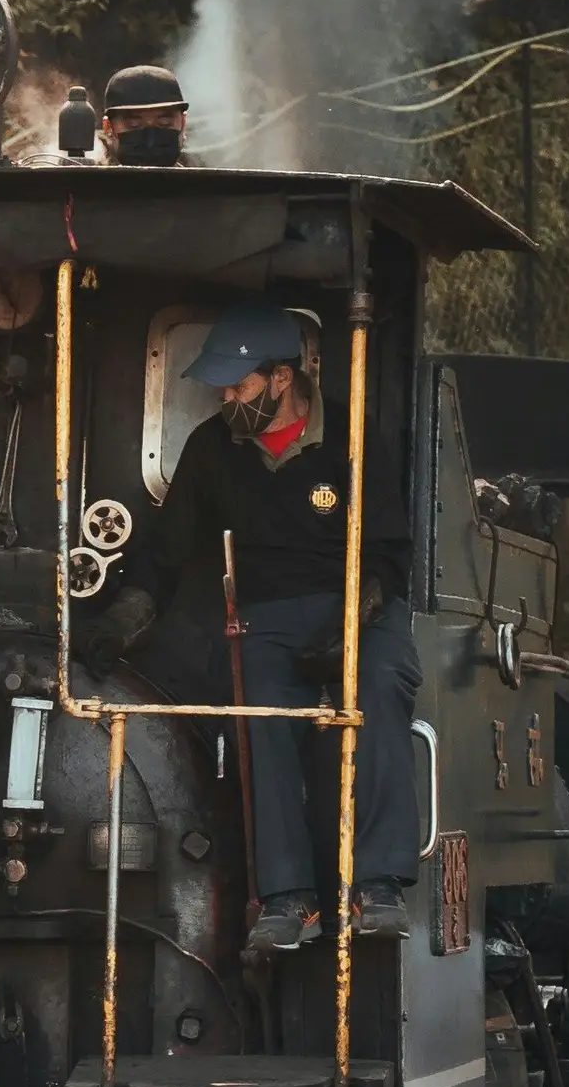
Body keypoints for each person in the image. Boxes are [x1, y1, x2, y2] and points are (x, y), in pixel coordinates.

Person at [81, 299, 420, 956]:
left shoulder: (351, 434)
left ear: (282, 378)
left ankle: (375, 886)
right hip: (265, 617)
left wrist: (352, 620)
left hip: (358, 608)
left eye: (238, 386)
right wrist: (121, 622)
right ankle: (289, 900)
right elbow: (165, 554)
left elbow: (386, 553)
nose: (226, 398)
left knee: (380, 685)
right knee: (257, 705)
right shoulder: (212, 449)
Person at [97, 64, 191, 166]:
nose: (150, 140)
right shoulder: (87, 181)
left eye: (164, 123)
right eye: (134, 125)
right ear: (108, 127)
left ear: (183, 123)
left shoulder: (205, 182)